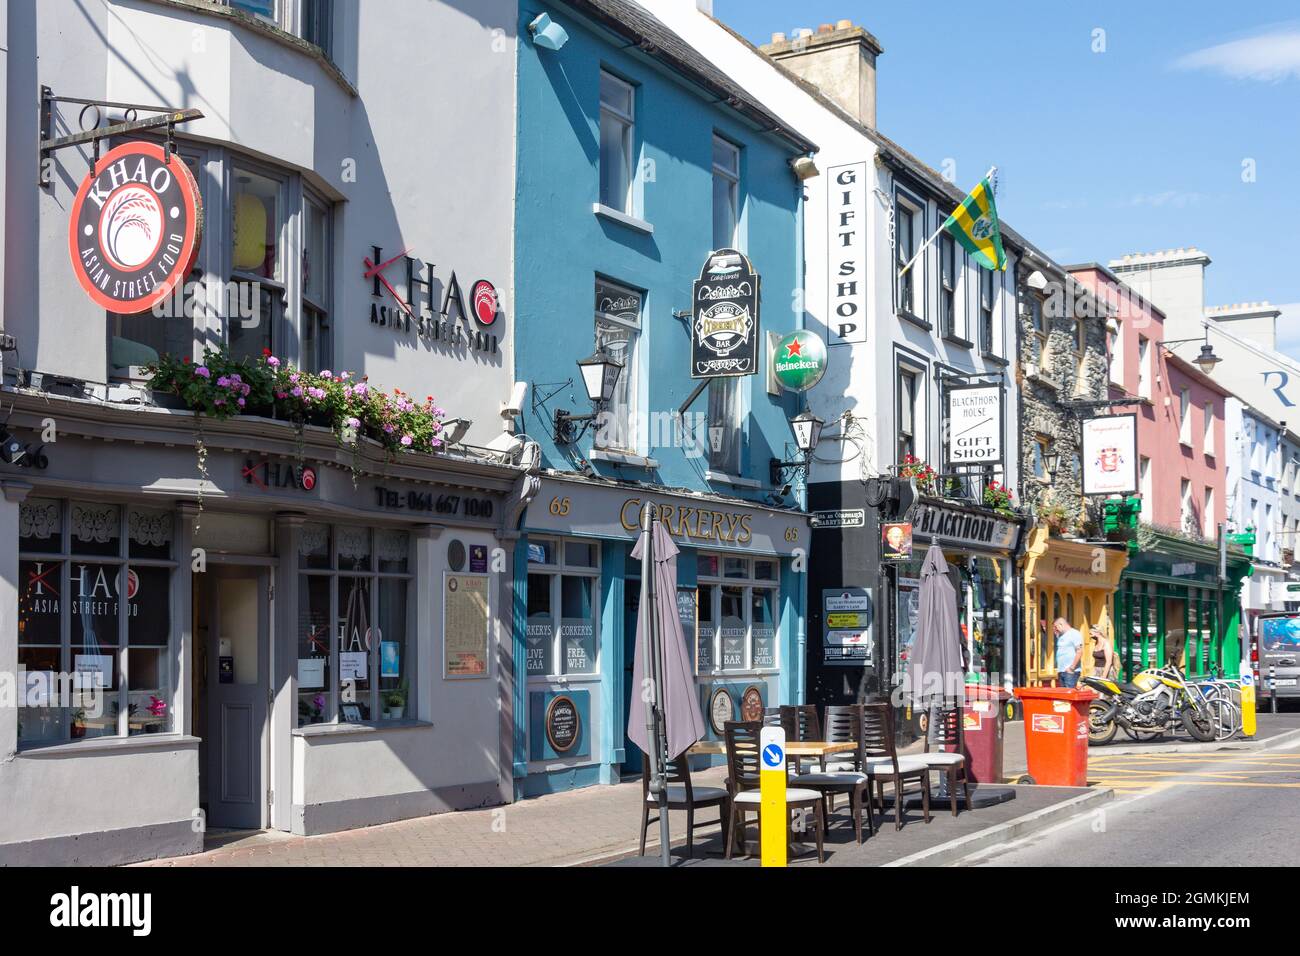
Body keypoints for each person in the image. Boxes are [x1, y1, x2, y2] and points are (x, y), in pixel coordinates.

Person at [1054, 617, 1084, 688]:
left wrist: (1072, 667)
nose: (1055, 629)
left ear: (1061, 624)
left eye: (1056, 626)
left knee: (1069, 694)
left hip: (1070, 672)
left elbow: (1079, 651)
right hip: (1061, 671)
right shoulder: (1061, 635)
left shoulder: (1074, 633)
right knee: (1063, 696)